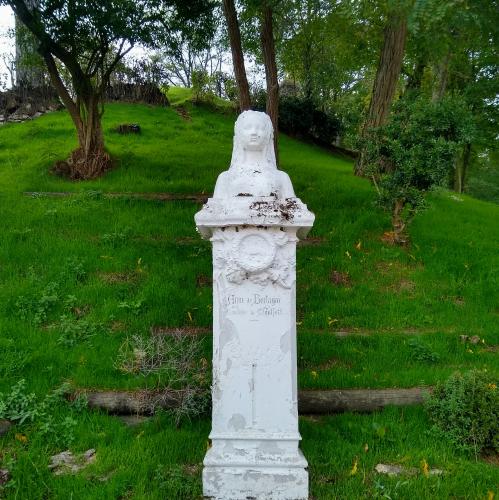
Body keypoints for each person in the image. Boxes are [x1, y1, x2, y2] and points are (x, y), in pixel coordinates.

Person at [213, 110, 295, 199]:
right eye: (248, 127)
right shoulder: (225, 178)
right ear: (239, 133)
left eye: (260, 128)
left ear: (268, 134)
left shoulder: (282, 178)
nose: (254, 132)